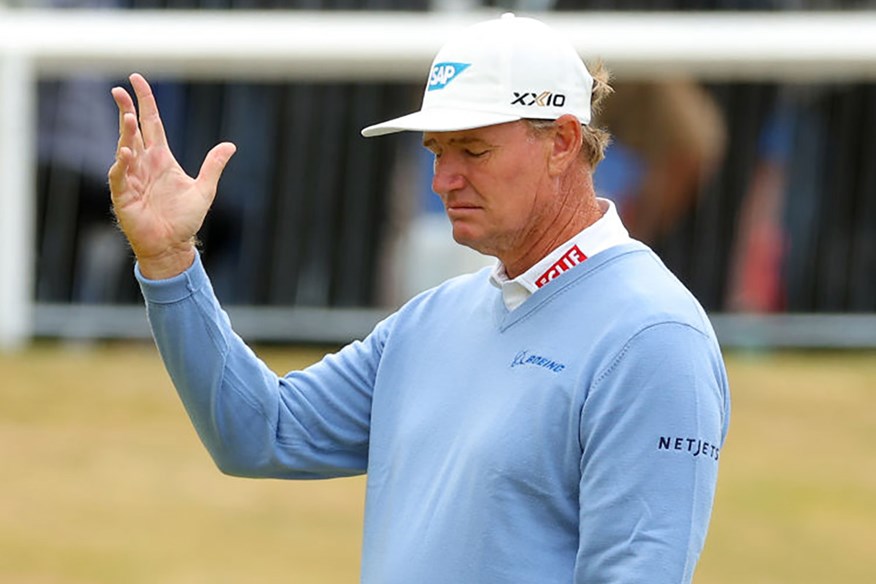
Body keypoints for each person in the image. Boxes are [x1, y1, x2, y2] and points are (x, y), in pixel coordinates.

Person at [108, 13, 730, 584]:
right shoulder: (431, 319)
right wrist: (169, 262)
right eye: (436, 150)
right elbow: (258, 431)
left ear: (564, 141)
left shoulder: (653, 338)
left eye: (474, 150)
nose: (443, 180)